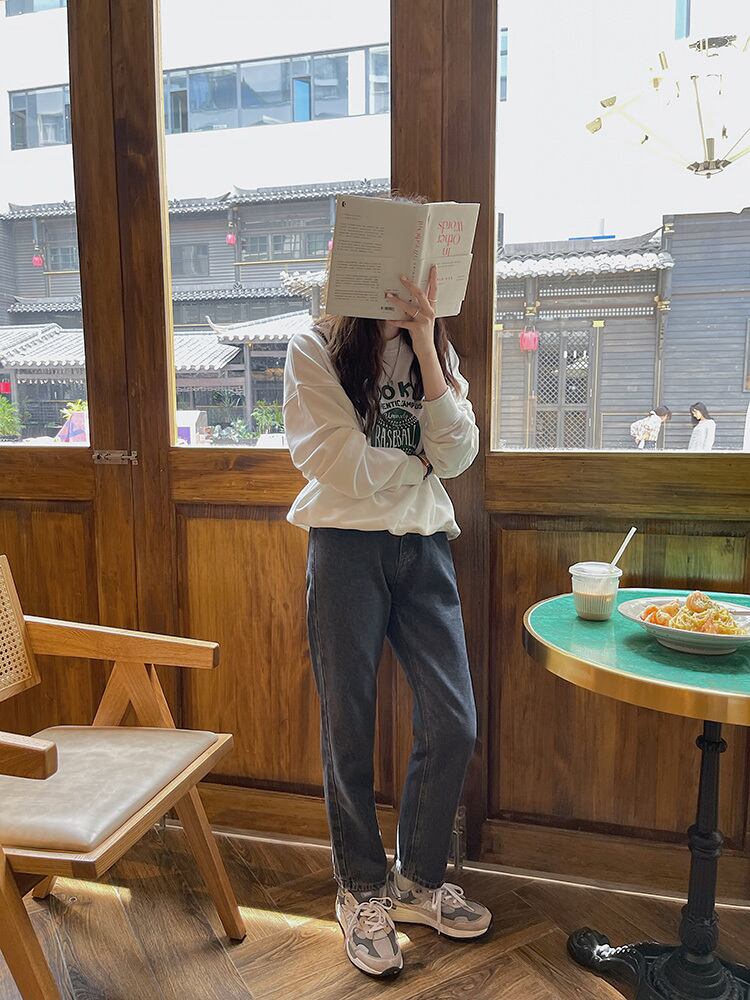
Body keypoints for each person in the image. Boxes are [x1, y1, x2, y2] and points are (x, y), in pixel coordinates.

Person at [283, 263, 491, 978]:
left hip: (424, 545)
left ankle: (417, 882)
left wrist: (428, 347)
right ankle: (361, 889)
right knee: (348, 722)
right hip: (345, 546)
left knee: (454, 720)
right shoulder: (314, 349)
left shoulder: (434, 350)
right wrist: (418, 464)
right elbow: (335, 459)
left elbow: (458, 454)